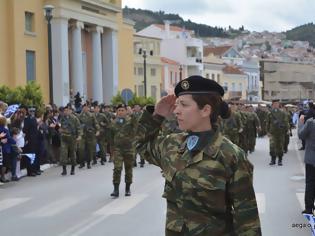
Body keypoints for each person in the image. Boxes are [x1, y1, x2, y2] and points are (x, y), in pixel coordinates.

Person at [136, 76, 261, 235]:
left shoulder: (230, 155)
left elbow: (248, 221)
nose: (176, 110)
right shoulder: (172, 145)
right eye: (176, 104)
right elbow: (140, 145)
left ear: (205, 110)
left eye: (184, 105)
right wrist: (157, 116)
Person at [110, 104, 138, 197]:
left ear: (126, 111)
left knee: (128, 169)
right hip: (118, 149)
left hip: (129, 148)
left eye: (122, 110)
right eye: (119, 110)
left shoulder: (130, 121)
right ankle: (116, 189)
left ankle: (127, 188)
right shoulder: (113, 123)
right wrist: (111, 151)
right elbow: (110, 137)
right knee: (117, 168)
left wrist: (132, 113)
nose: (121, 112)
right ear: (117, 112)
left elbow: (136, 123)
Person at [298, 114, 315, 215]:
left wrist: (301, 122)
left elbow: (301, 135)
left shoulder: (310, 122)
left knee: (310, 183)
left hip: (311, 158)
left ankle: (309, 208)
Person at [266, 100, 289, 166]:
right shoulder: (269, 113)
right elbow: (267, 123)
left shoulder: (283, 113)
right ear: (272, 105)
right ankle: (273, 159)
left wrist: (287, 130)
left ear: (279, 105)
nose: (276, 105)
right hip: (272, 132)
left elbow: (286, 122)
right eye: (274, 104)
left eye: (277, 104)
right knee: (272, 146)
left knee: (280, 146)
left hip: (281, 132)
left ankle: (280, 159)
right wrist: (267, 131)